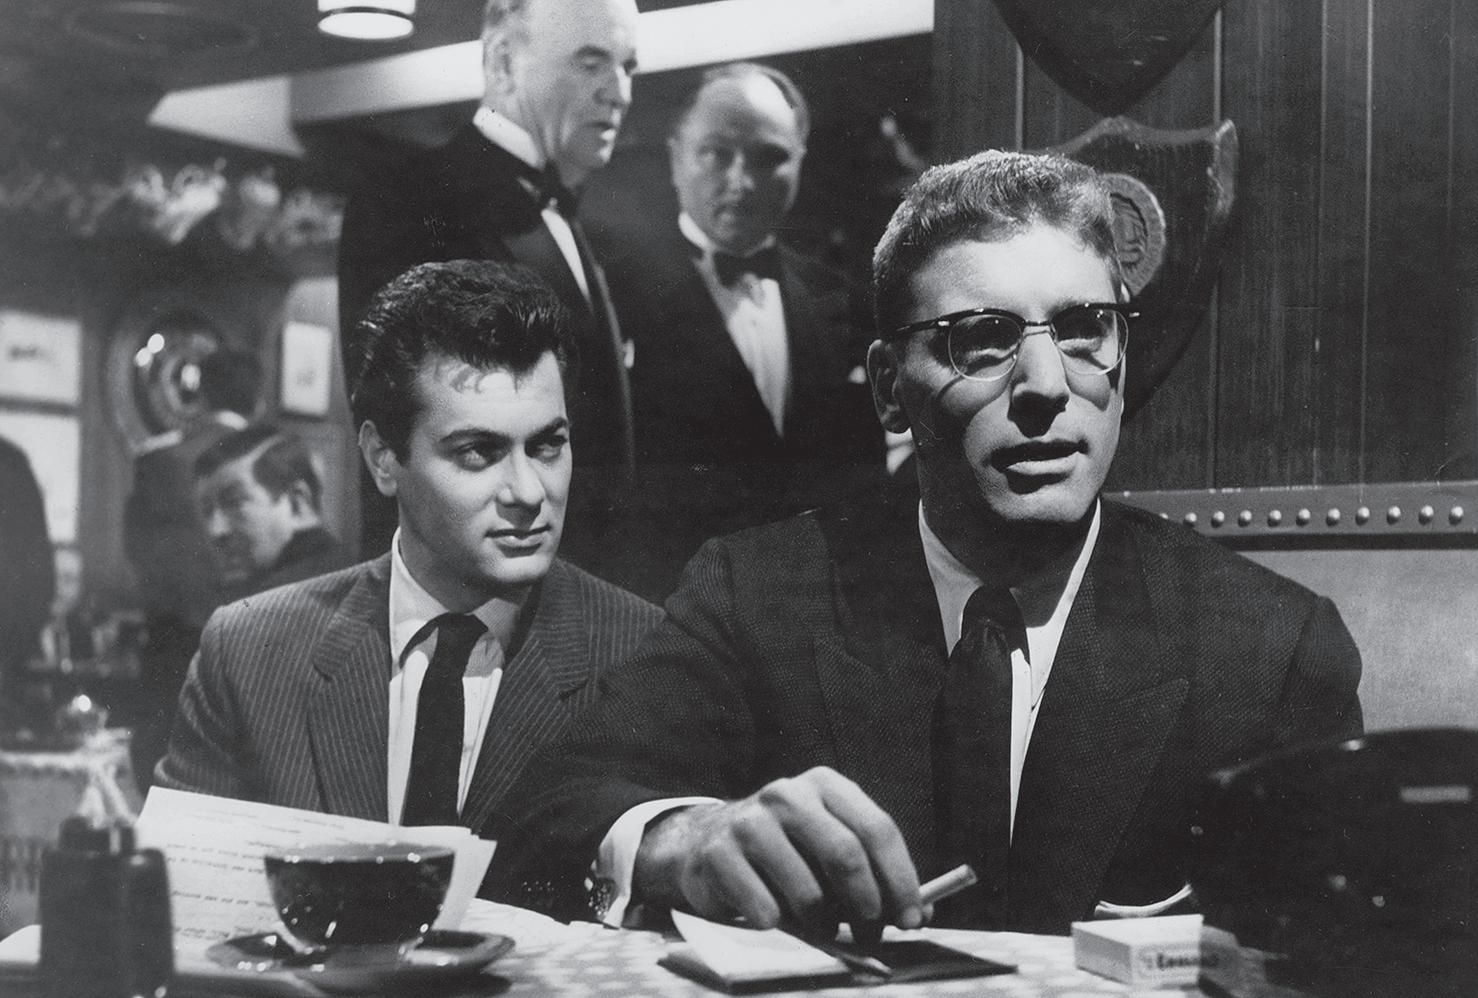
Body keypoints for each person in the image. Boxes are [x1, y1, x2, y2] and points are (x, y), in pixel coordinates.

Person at [487, 151, 1364, 934]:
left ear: (1122, 358)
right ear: (888, 389)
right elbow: (546, 816)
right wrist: (684, 839)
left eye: (1083, 329)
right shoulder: (756, 594)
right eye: (981, 340)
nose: (1046, 385)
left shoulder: (1269, 649)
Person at [156, 261, 662, 836]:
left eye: (548, 446)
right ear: (382, 459)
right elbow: (182, 886)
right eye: (478, 452)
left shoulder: (647, 658)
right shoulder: (248, 653)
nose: (528, 493)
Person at [337, 0, 640, 558]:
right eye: (592, 63)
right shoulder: (408, 202)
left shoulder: (569, 217)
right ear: (503, 63)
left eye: (628, 67)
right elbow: (403, 440)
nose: (619, 92)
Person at [596, 63, 883, 600]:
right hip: (672, 611)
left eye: (769, 157)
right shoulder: (613, 297)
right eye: (716, 153)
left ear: (800, 161)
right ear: (676, 158)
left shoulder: (841, 300)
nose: (741, 181)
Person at [124, 346, 261, 788]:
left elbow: (136, 552)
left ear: (198, 395)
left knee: (160, 772)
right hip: (254, 644)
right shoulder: (272, 459)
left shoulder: (157, 460)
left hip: (171, 643)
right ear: (257, 399)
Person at [192, 424, 351, 598]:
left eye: (233, 502)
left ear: (297, 503)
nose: (217, 531)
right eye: (207, 511)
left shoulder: (276, 599)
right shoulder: (351, 569)